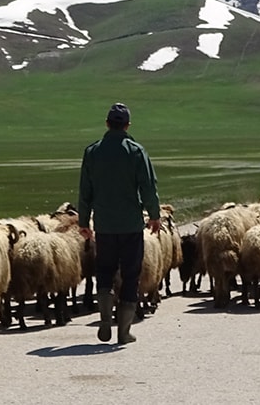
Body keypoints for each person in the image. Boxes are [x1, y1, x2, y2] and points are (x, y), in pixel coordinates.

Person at [78, 102, 162, 345]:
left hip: (104, 225)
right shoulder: (136, 151)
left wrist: (84, 221)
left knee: (104, 272)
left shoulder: (92, 152)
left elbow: (85, 190)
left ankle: (105, 319)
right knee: (131, 274)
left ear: (107, 124)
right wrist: (154, 215)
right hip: (131, 225)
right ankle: (123, 332)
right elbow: (148, 187)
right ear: (127, 125)